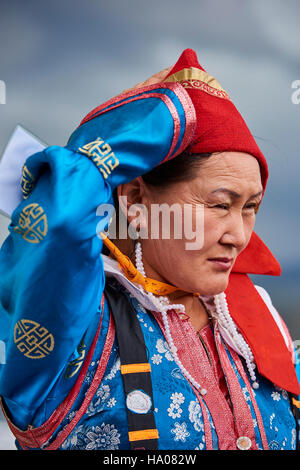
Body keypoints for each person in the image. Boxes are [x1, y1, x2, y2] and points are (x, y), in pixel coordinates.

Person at [0, 49, 299, 451]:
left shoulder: (256, 325)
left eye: (250, 208)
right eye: (220, 204)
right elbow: (62, 221)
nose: (239, 236)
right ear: (137, 201)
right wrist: (167, 114)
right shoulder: (79, 325)